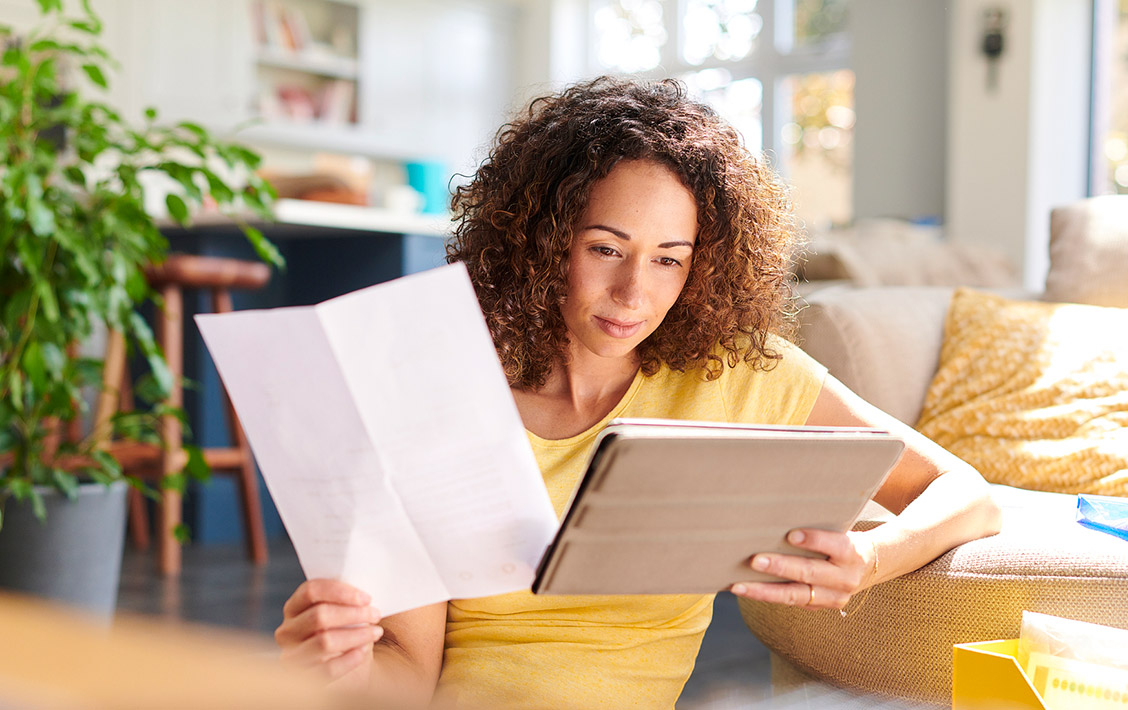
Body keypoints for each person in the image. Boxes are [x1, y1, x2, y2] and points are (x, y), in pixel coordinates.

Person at [274, 77, 1002, 708]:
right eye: (605, 249)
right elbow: (407, 677)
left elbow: (966, 492)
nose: (633, 292)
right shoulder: (441, 394)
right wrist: (340, 666)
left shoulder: (738, 377)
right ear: (541, 238)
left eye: (668, 261)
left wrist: (872, 560)